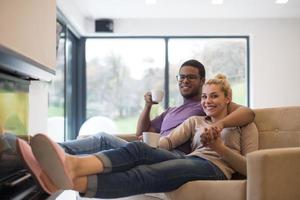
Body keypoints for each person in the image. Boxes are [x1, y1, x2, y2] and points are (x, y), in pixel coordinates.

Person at [29, 74, 258, 198]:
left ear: (228, 99)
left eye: (214, 96)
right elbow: (168, 143)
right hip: (190, 160)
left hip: (215, 169)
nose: (207, 101)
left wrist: (219, 147)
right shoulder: (195, 121)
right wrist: (150, 144)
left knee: (144, 174)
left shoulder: (243, 124)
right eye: (205, 97)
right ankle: (71, 166)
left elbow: (251, 168)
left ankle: (71, 178)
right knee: (139, 150)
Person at [60, 59, 254, 155]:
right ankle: (57, 156)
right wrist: (147, 106)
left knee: (102, 139)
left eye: (191, 77)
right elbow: (142, 131)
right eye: (181, 77)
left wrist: (219, 125)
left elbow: (247, 113)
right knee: (103, 143)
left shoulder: (207, 106)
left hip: (171, 153)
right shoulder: (171, 110)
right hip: (152, 148)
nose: (185, 81)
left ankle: (58, 150)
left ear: (202, 80)